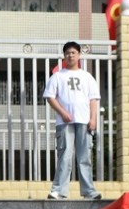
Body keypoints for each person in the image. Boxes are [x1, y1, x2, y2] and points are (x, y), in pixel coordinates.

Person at [42, 42, 102, 200]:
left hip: (85, 121)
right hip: (65, 122)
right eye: (67, 53)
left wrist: (93, 119)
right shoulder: (57, 76)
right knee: (65, 155)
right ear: (64, 56)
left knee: (84, 157)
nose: (70, 55)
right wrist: (63, 112)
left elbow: (93, 99)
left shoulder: (87, 76)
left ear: (79, 55)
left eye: (73, 52)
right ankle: (59, 190)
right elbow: (50, 97)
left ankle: (89, 191)